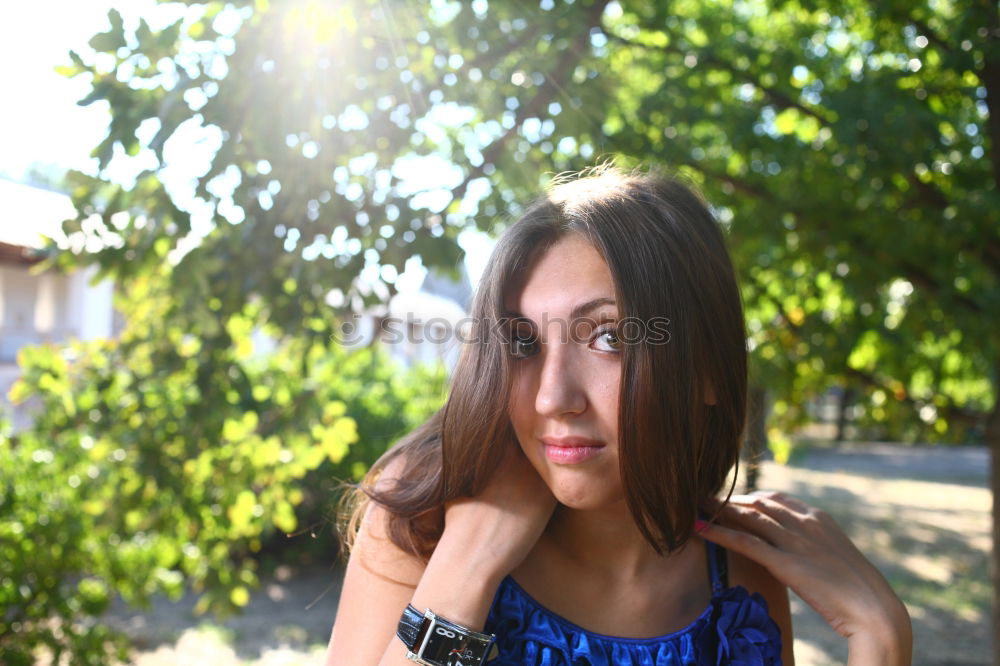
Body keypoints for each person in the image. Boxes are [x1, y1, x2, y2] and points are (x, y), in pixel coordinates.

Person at [324, 166, 912, 665]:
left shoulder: (741, 583)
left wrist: (880, 635)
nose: (552, 398)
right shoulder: (421, 521)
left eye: (609, 338)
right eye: (524, 343)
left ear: (707, 365)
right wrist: (462, 576)